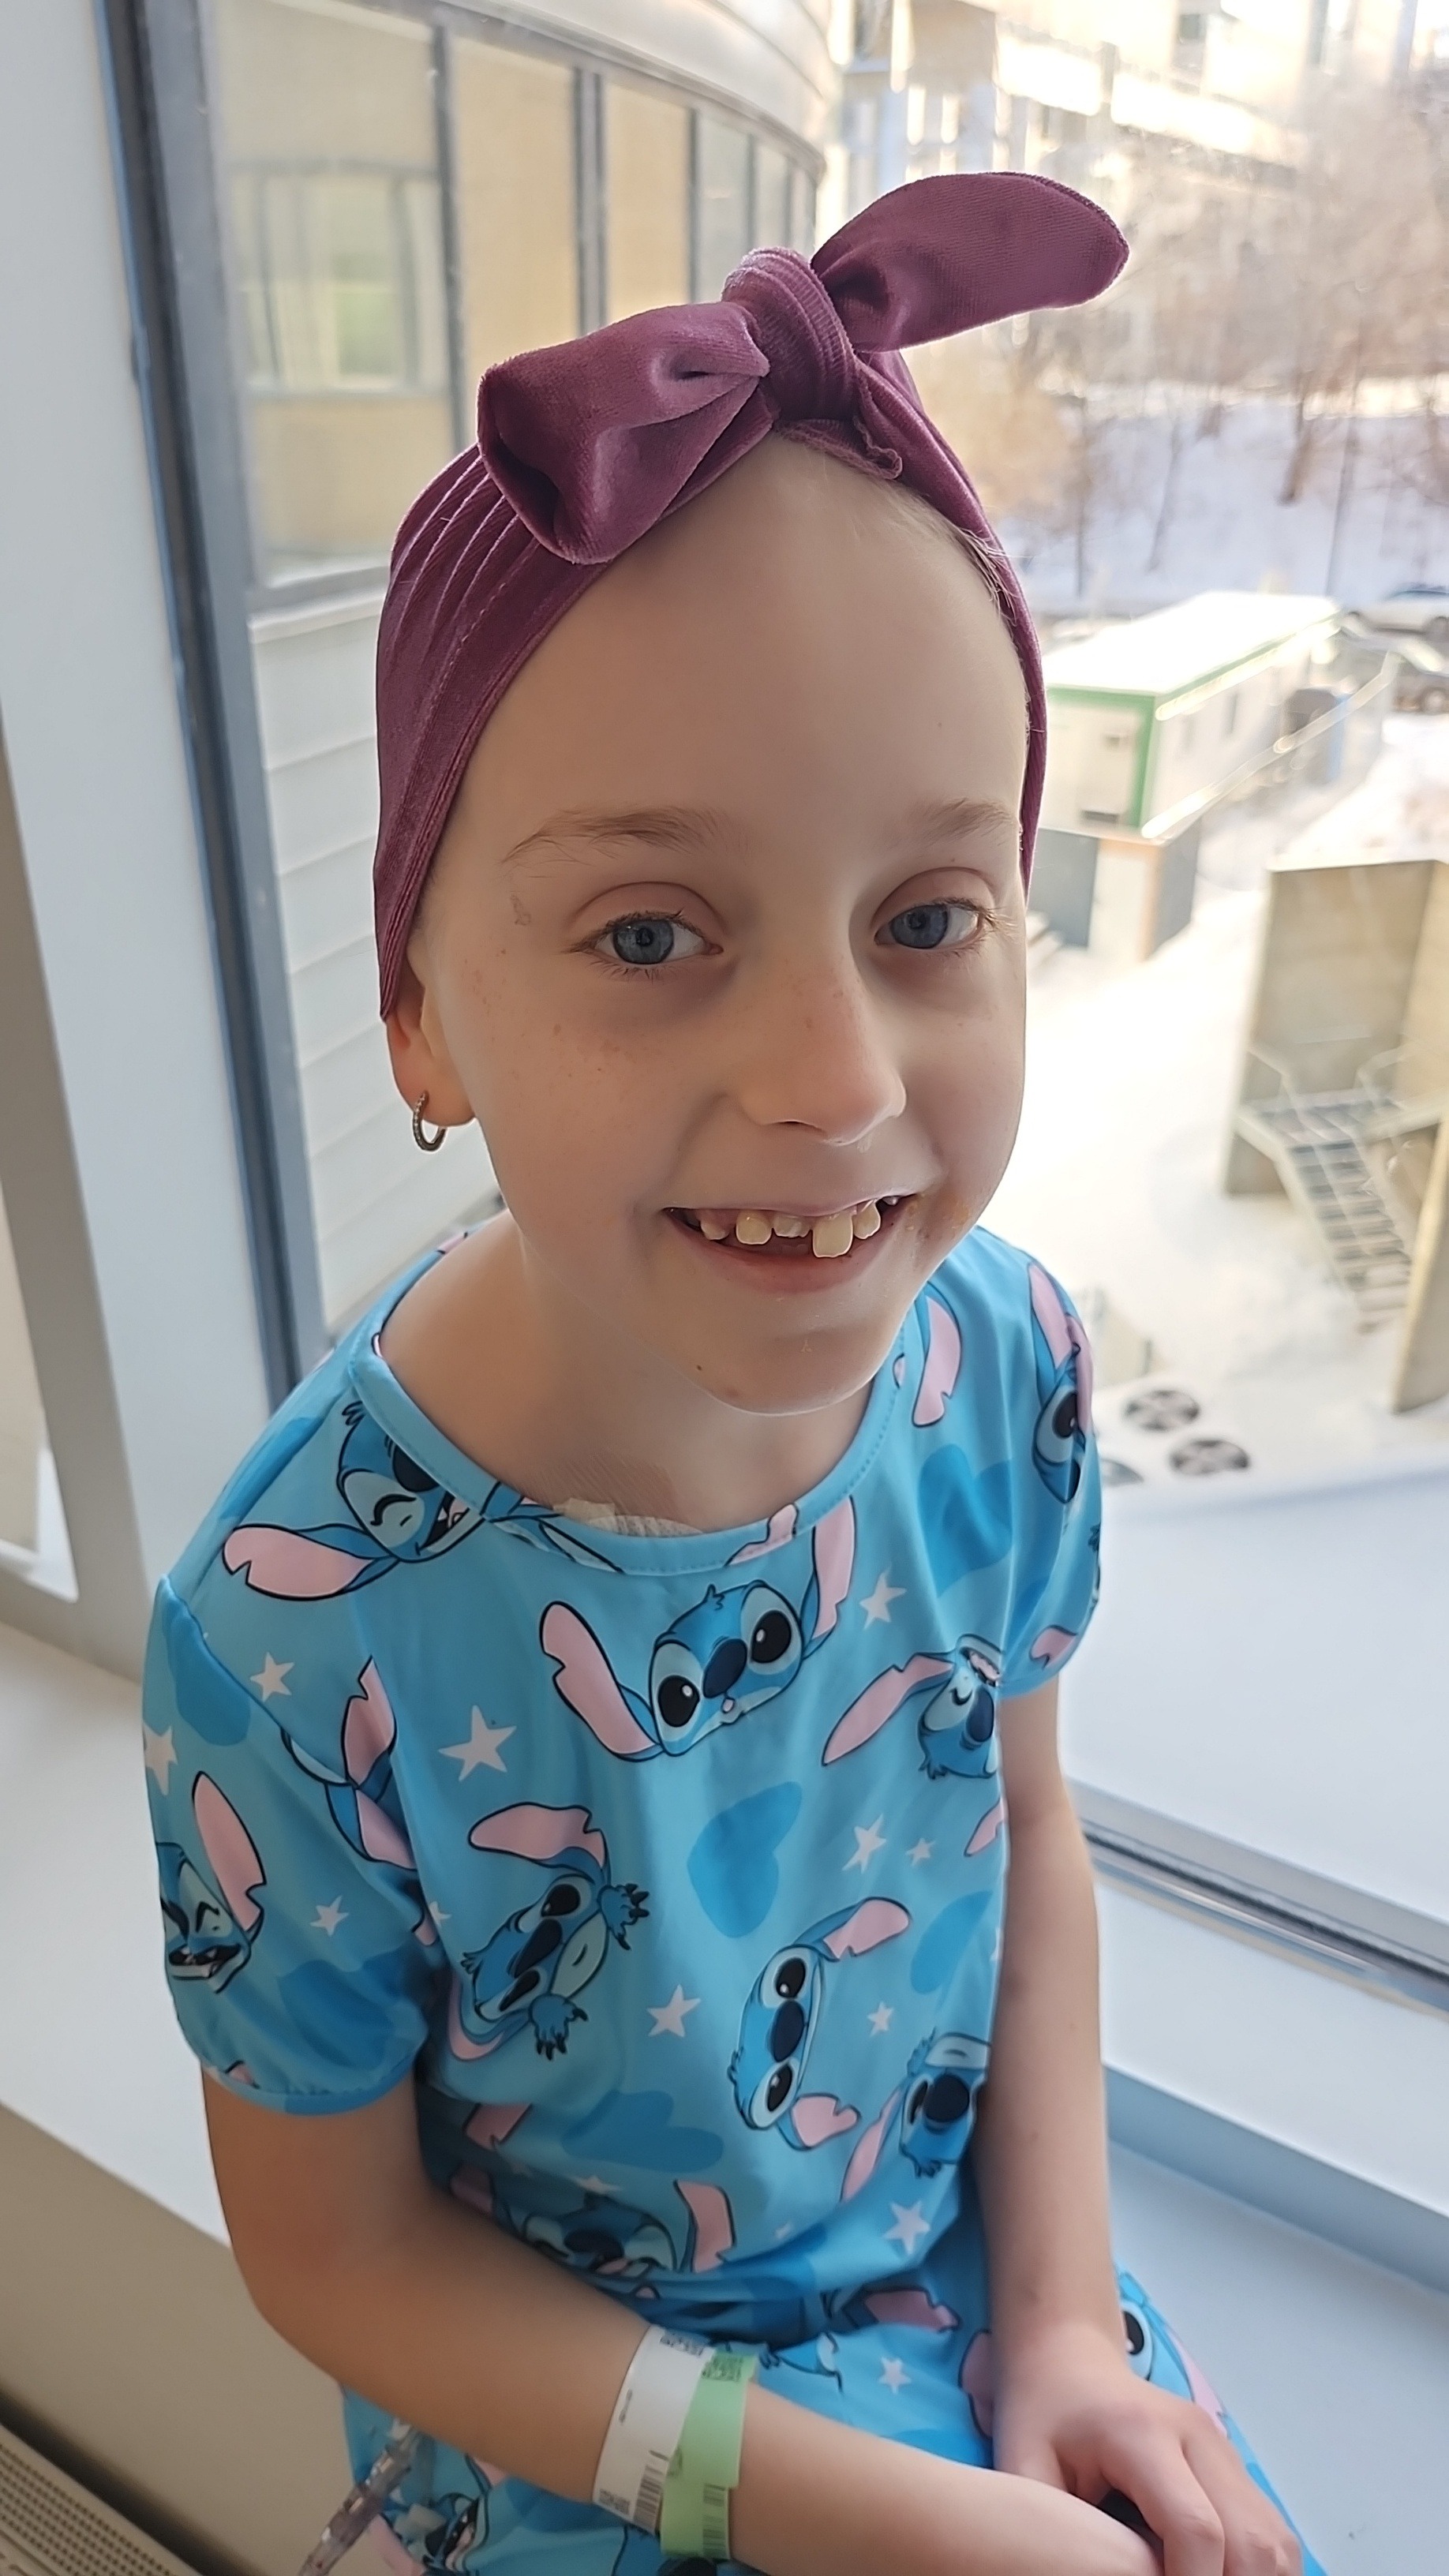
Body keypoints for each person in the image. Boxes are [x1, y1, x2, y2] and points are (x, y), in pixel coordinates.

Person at [141, 174, 1317, 2576]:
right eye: (651, 932)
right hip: (582, 2446)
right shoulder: (291, 1638)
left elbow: (1027, 1844)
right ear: (418, 1015)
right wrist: (856, 2513)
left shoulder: (1004, 1369)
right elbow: (339, 2257)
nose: (830, 1079)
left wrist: (1059, 2328)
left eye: (926, 916)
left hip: (970, 2316)